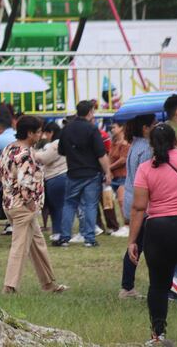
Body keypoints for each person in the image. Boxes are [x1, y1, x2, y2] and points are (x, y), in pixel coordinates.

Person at [127, 124, 177, 345]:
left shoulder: (146, 168)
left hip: (159, 230)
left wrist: (132, 241)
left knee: (159, 285)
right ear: (176, 141)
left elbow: (139, 207)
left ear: (151, 144)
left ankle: (158, 336)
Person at [0, 115, 67, 294]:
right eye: (38, 132)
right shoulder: (26, 154)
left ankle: (49, 284)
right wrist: (30, 203)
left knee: (38, 244)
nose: (40, 135)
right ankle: (10, 287)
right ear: (29, 133)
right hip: (23, 206)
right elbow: (26, 182)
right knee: (20, 246)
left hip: (9, 203)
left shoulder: (8, 148)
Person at [54, 100, 113, 247]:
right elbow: (101, 154)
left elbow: (61, 151)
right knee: (90, 205)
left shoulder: (66, 129)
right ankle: (89, 239)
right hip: (92, 173)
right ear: (90, 112)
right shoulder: (92, 129)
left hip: (73, 172)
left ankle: (65, 237)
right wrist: (108, 172)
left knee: (69, 204)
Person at [119, 113, 156, 299]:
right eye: (154, 124)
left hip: (132, 198)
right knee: (138, 245)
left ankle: (127, 286)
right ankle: (127, 287)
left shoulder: (135, 146)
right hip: (143, 203)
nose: (156, 126)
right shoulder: (148, 149)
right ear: (145, 128)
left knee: (135, 243)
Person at [35, 121, 67, 242]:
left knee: (56, 208)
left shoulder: (56, 144)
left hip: (55, 178)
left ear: (51, 132)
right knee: (59, 208)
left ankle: (59, 233)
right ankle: (59, 232)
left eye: (46, 133)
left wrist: (33, 153)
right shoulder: (62, 142)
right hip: (61, 177)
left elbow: (45, 158)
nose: (45, 137)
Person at [109, 122, 131, 236]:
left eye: (114, 127)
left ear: (121, 127)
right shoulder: (113, 143)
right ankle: (124, 225)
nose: (112, 129)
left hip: (124, 175)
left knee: (123, 201)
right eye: (111, 128)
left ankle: (128, 225)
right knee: (119, 201)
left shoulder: (125, 143)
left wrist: (109, 168)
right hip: (115, 176)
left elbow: (123, 159)